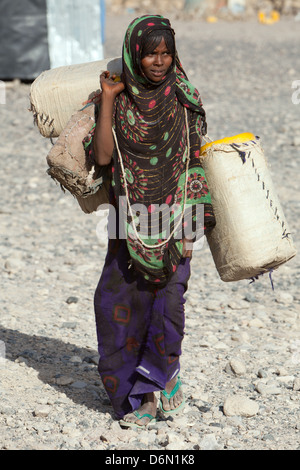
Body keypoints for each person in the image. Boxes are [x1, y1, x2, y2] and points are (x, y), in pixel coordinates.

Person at [85, 14, 215, 429]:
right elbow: (104, 158)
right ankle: (138, 395)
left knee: (169, 303)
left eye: (166, 53)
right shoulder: (120, 100)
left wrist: (192, 228)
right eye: (151, 54)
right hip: (129, 219)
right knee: (119, 303)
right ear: (135, 54)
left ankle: (164, 375)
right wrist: (106, 99)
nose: (159, 61)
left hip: (176, 215)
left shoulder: (183, 96)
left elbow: (195, 163)